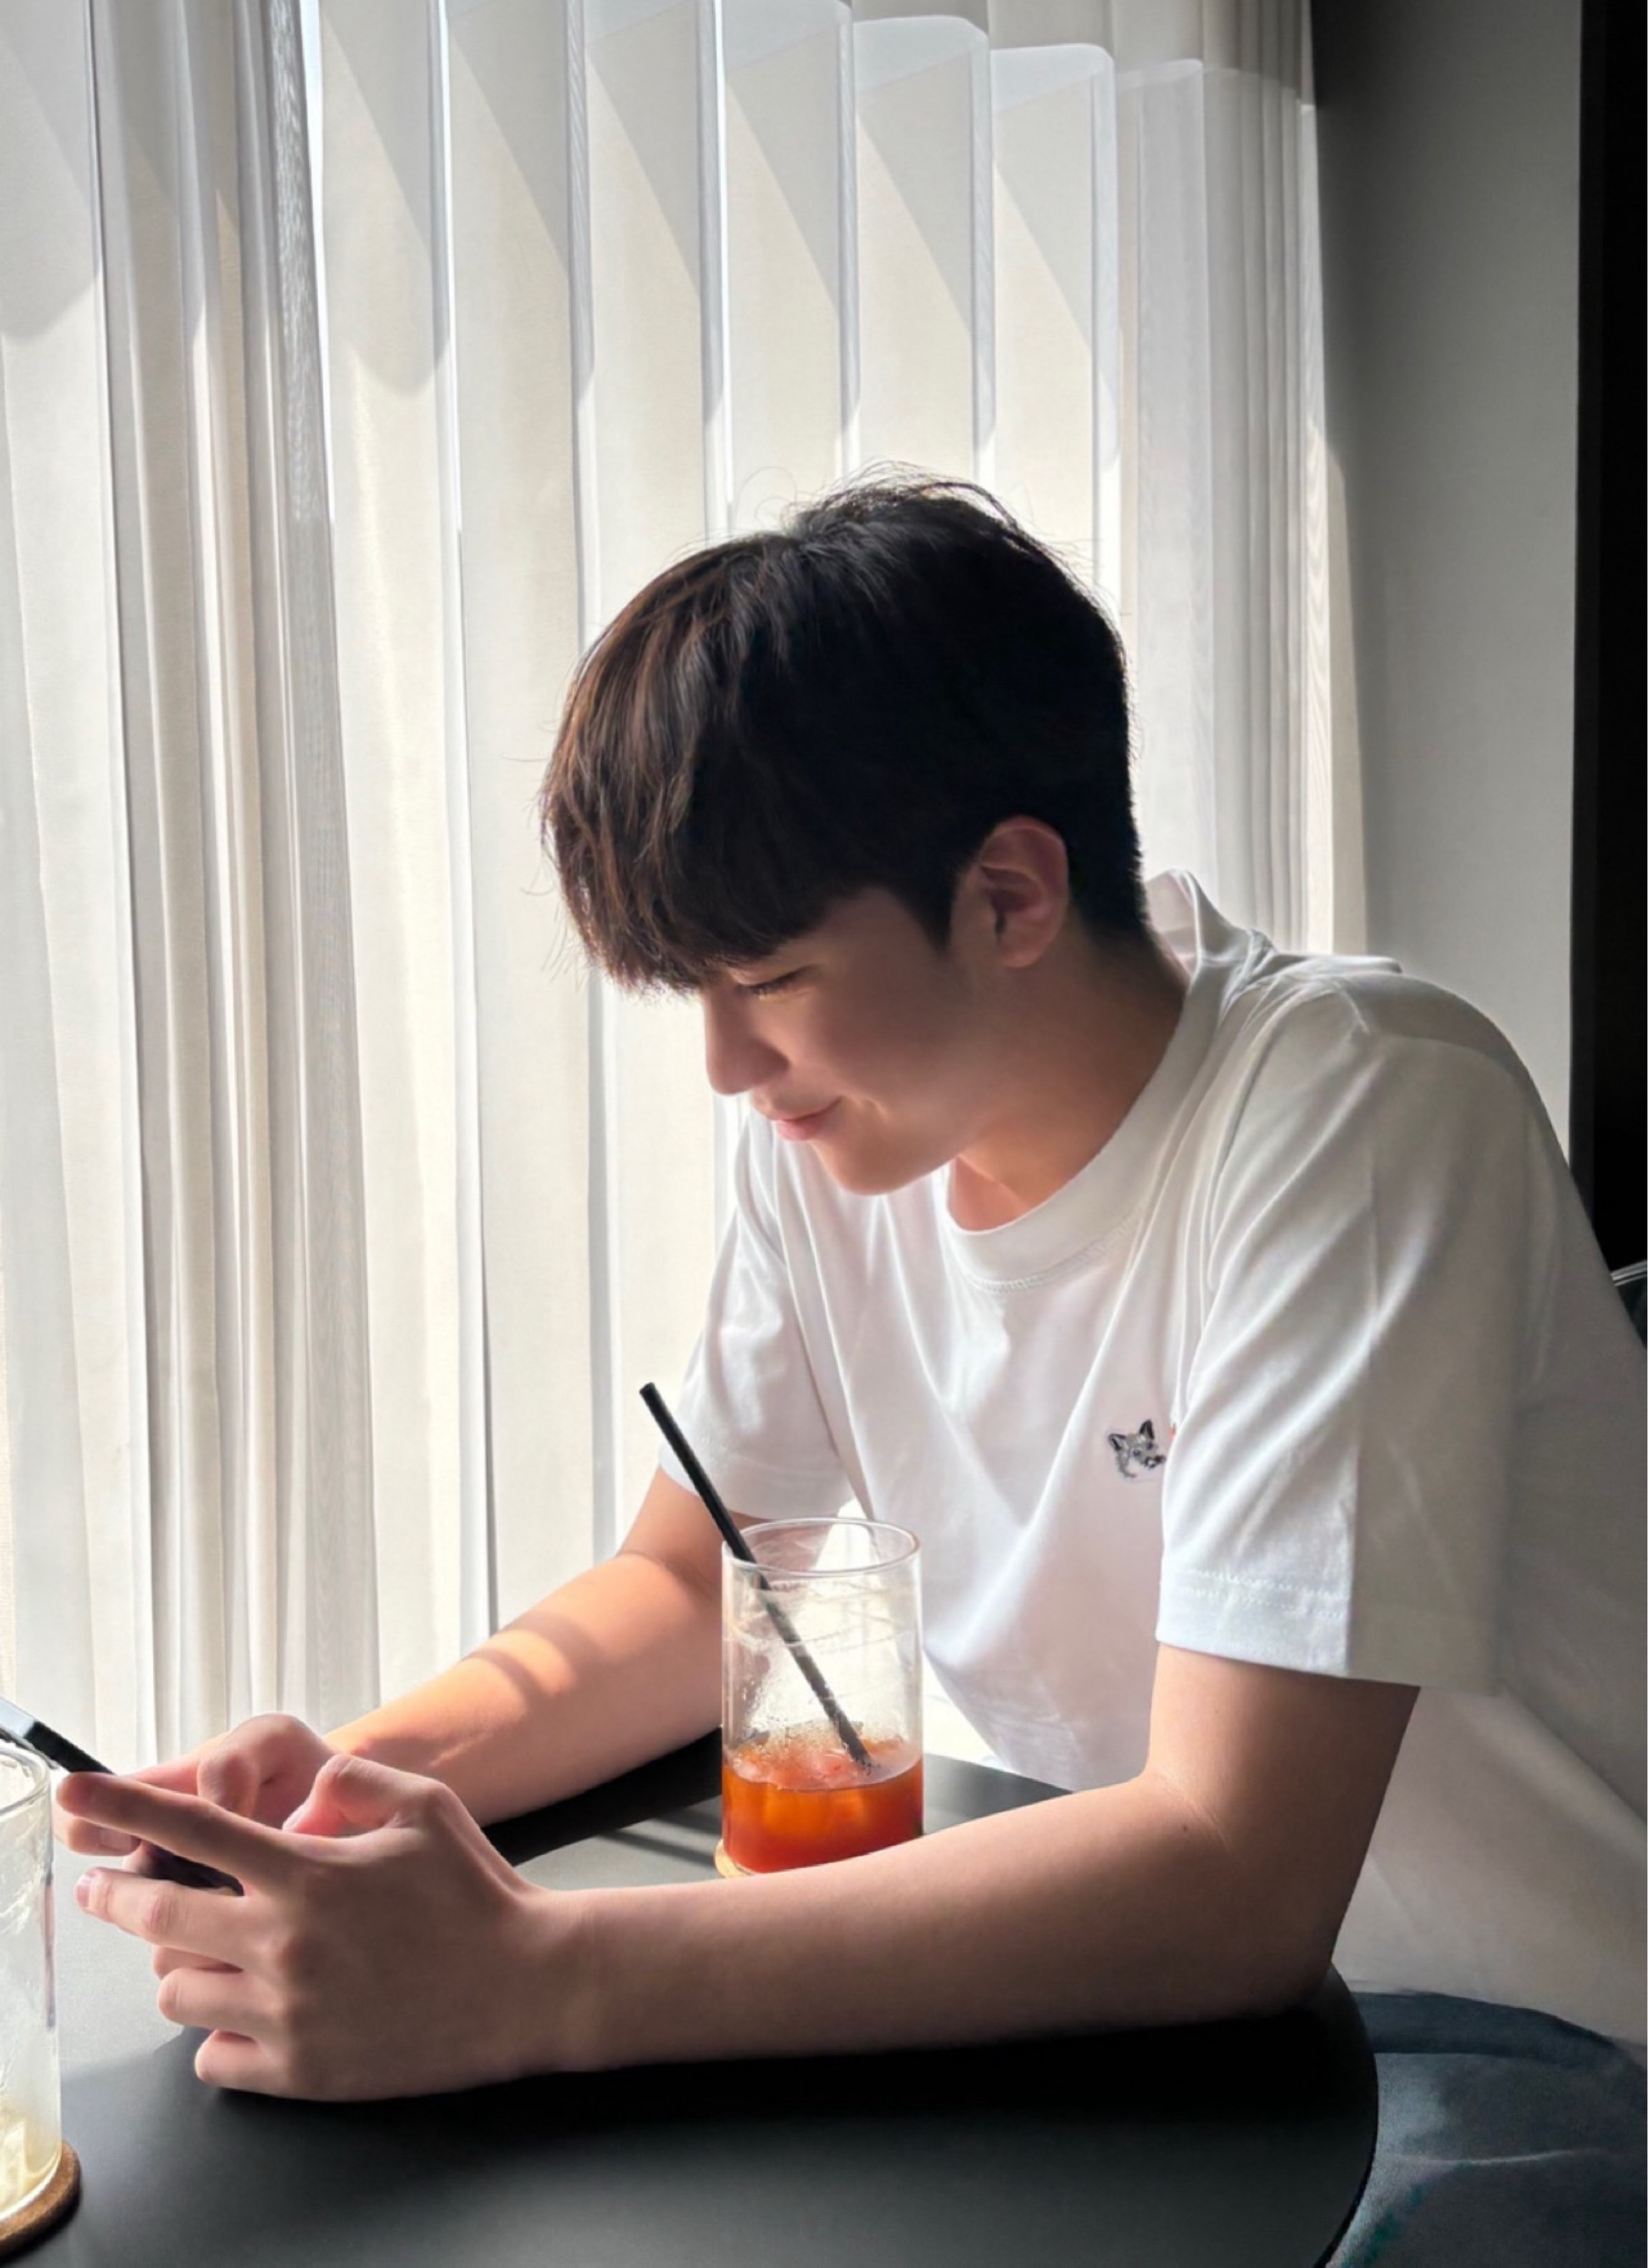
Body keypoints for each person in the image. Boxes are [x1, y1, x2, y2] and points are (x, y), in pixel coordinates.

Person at [58, 481, 1643, 2259]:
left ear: (1010, 894)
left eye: (771, 978)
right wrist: (343, 1792)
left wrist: (523, 1978)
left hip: (1525, 2047)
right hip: (1149, 2027)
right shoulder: (847, 1144)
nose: (727, 1068)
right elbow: (692, 1588)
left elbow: (1234, 1869)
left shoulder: (1361, 1107)